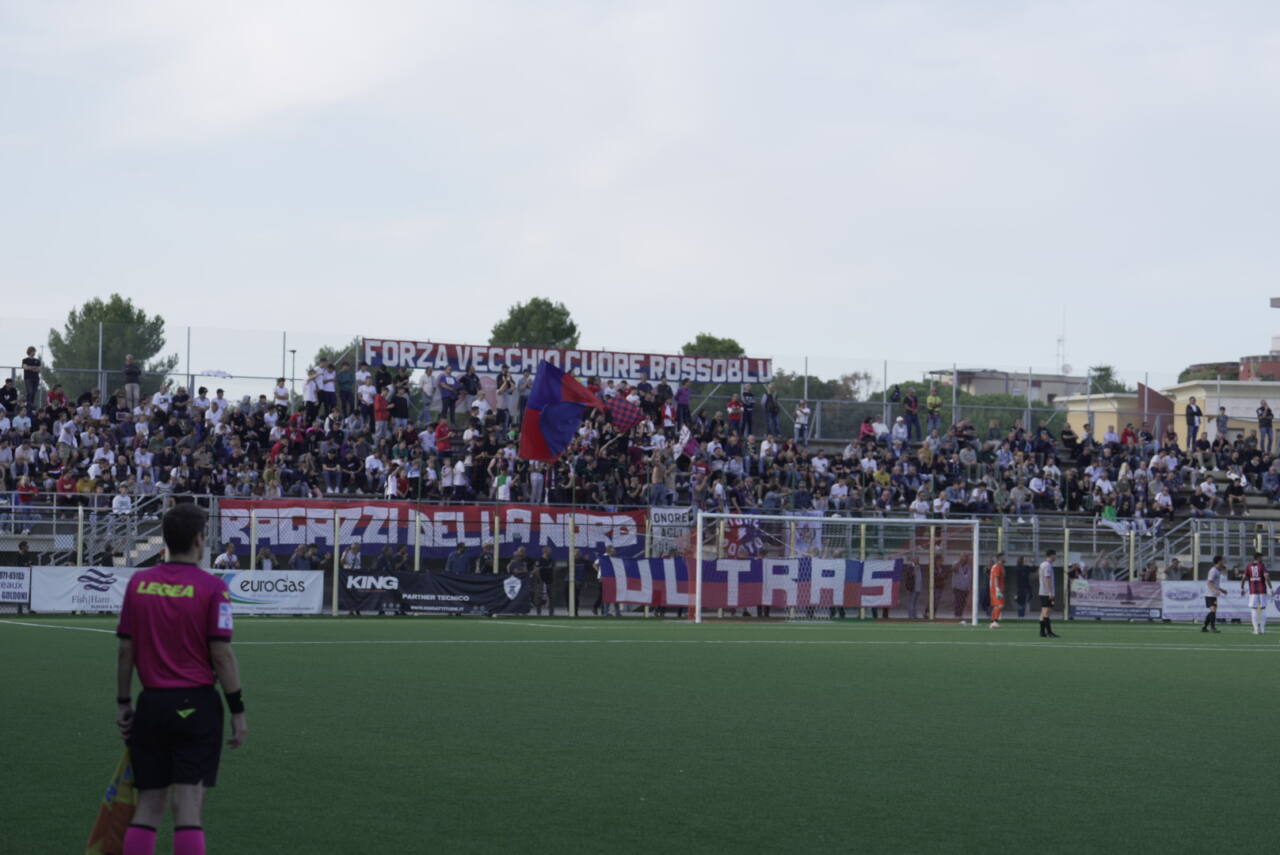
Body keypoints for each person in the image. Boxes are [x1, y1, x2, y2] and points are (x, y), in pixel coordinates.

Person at [114, 503, 248, 855]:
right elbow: (221, 654)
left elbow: (125, 650)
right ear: (198, 540)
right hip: (197, 706)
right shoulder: (212, 587)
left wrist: (123, 702)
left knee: (148, 807)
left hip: (152, 704)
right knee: (188, 810)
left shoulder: (140, 583)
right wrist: (237, 709)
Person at [1241, 550, 1271, 635]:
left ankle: (1256, 630)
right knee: (1263, 609)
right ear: (1257, 558)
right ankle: (1262, 629)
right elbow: (1267, 577)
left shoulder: (1248, 566)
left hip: (1253, 591)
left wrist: (1242, 588)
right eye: (1261, 557)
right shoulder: (1262, 566)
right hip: (1262, 590)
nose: (1262, 559)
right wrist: (1270, 587)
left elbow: (1243, 578)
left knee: (1253, 609)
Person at [1202, 554, 1227, 633]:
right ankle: (1212, 627)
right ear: (1219, 561)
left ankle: (1205, 626)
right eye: (1222, 560)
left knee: (1213, 611)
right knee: (1213, 610)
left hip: (1213, 594)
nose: (1224, 561)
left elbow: (1215, 584)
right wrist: (1215, 590)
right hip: (1209, 594)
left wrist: (1221, 590)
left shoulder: (1217, 570)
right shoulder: (1213, 571)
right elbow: (1209, 583)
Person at [1038, 548, 1060, 638]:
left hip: (1043, 591)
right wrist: (1050, 592)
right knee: (1046, 612)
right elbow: (1047, 578)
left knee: (1043, 612)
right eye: (1055, 555)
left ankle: (1042, 632)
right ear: (1051, 555)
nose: (1056, 557)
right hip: (1046, 592)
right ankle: (1049, 632)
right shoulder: (1047, 565)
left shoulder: (1044, 564)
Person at [989, 552, 1005, 628]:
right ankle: (995, 621)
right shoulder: (997, 566)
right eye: (1004, 557)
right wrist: (997, 589)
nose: (1005, 558)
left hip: (994, 588)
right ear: (1000, 558)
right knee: (1000, 605)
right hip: (996, 589)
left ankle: (993, 621)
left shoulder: (997, 566)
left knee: (996, 606)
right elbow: (996, 577)